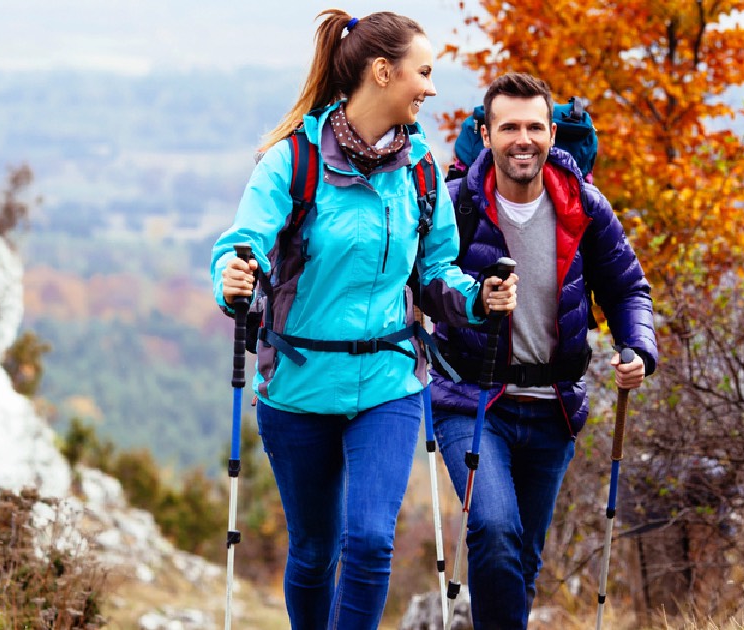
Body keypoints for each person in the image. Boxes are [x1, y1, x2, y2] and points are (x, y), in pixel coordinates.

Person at [211, 10, 508, 629]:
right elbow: (245, 246)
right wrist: (235, 278)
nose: (430, 87)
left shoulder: (422, 170)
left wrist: (477, 298)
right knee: (316, 551)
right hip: (297, 384)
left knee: (371, 541)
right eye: (422, 72)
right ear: (382, 72)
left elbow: (435, 272)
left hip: (389, 382)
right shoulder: (293, 162)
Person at [427, 72, 658, 630]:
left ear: (553, 133)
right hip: (473, 400)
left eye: (534, 126)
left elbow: (628, 288)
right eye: (509, 127)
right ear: (485, 134)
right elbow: (423, 284)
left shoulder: (584, 206)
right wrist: (473, 299)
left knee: (523, 557)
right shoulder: (454, 206)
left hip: (554, 404)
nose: (522, 139)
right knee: (495, 528)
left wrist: (638, 348)